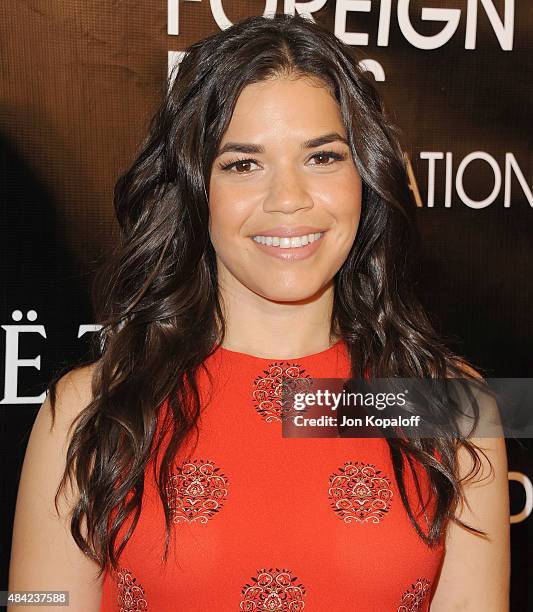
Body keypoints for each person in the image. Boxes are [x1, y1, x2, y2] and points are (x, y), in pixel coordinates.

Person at [9, 13, 510, 611]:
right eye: (243, 163)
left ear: (365, 176)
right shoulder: (90, 411)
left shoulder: (447, 406)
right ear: (195, 190)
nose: (289, 198)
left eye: (323, 157)